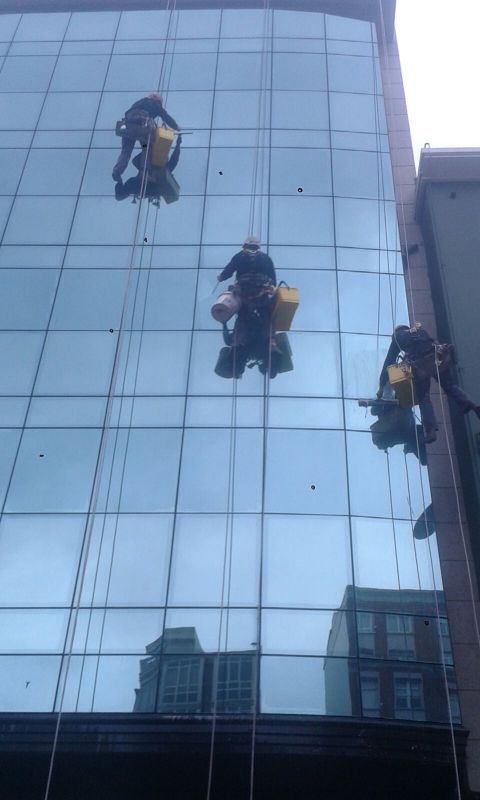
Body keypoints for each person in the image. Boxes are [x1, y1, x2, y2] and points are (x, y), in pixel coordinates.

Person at [377, 322, 480, 443]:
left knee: (424, 397)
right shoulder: (420, 331)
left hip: (421, 364)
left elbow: (389, 361)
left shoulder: (397, 337)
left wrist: (381, 386)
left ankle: (431, 431)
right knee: (450, 386)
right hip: (436, 358)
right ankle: (473, 405)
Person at [216, 237, 280, 377]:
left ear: (244, 246)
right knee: (266, 319)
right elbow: (273, 279)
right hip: (262, 296)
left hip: (245, 296)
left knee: (243, 319)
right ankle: (271, 345)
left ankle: (239, 347)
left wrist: (220, 277)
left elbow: (229, 270)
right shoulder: (265, 258)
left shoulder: (239, 257)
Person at [112, 93, 179, 182]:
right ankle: (144, 173)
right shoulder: (155, 104)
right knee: (147, 148)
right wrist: (176, 127)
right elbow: (166, 117)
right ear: (157, 100)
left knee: (126, 150)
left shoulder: (139, 103)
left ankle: (117, 171)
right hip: (141, 128)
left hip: (128, 128)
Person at [115, 134, 181, 203]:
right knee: (146, 147)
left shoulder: (134, 183)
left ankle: (147, 143)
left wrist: (119, 181)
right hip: (149, 186)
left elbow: (174, 160)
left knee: (146, 147)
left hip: (147, 186)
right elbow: (174, 160)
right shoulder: (162, 168)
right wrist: (178, 145)